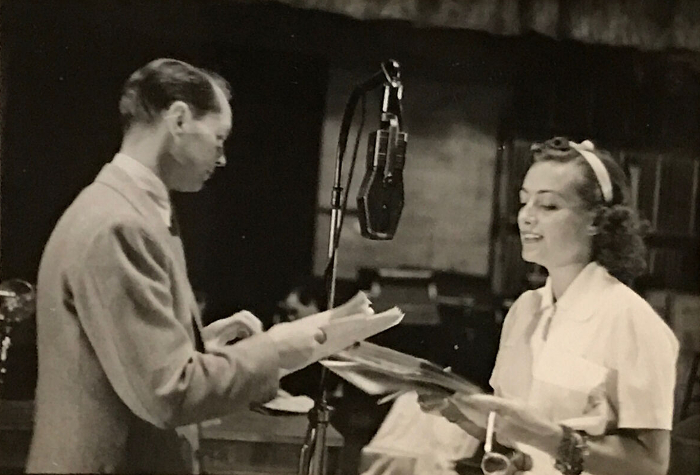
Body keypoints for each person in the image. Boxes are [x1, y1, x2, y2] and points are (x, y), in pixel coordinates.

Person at [25, 59, 374, 474]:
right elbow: (167, 392)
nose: (223, 158)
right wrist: (276, 348)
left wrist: (201, 348)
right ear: (178, 120)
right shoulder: (120, 224)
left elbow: (121, 362)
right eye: (218, 138)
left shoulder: (126, 209)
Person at [421, 137, 679, 475]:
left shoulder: (630, 320)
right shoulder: (525, 311)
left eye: (549, 206)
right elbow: (514, 441)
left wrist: (552, 439)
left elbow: (650, 465)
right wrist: (457, 410)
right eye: (524, 202)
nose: (526, 217)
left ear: (596, 222)